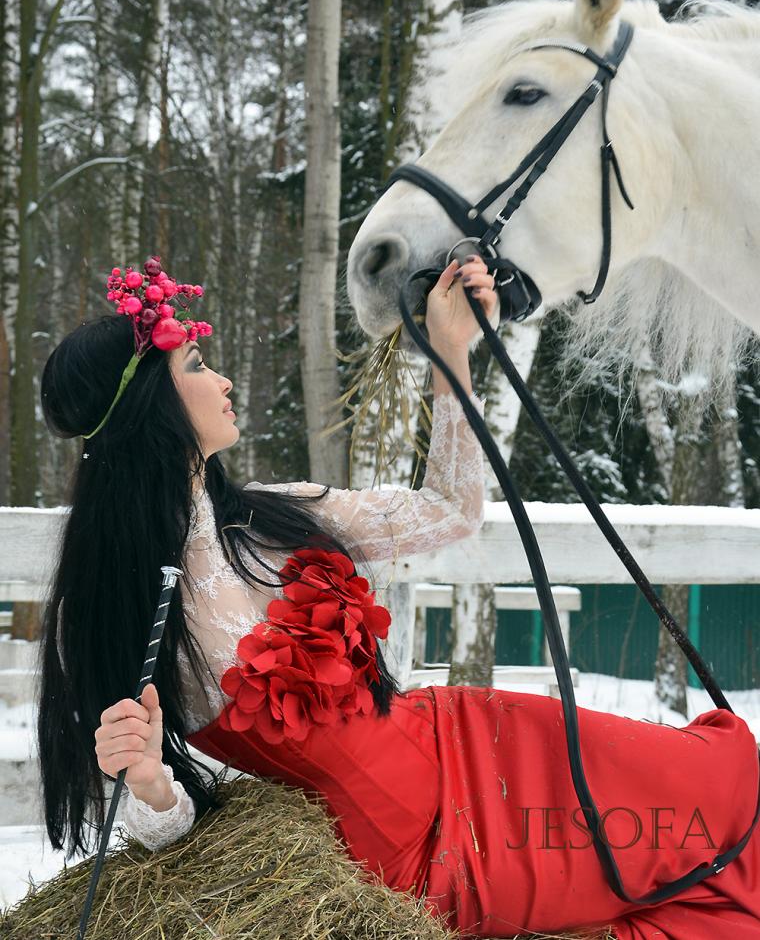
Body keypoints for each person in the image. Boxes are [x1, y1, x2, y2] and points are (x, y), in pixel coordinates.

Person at [38, 256, 760, 940]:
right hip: (428, 853)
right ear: (148, 407)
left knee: (716, 778)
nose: (222, 380)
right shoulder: (121, 603)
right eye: (195, 366)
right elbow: (164, 822)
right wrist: (149, 784)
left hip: (472, 738)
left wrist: (452, 352)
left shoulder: (270, 515)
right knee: (687, 843)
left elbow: (450, 510)